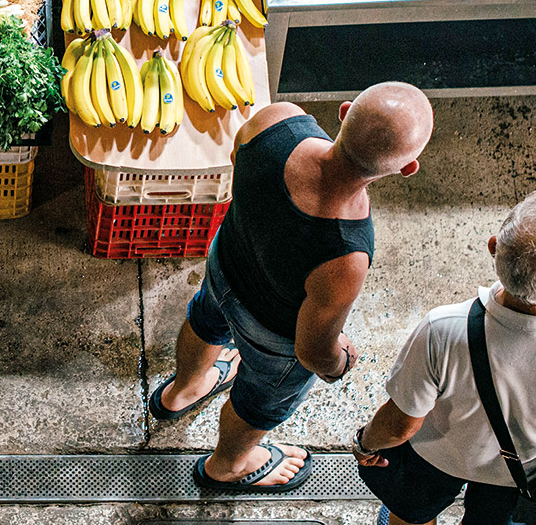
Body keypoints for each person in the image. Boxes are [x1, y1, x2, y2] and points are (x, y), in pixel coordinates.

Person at [149, 83, 435, 492]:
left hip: (225, 264)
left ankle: (182, 390)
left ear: (344, 111)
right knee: (258, 402)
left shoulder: (277, 122)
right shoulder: (346, 253)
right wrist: (340, 362)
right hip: (271, 333)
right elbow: (311, 349)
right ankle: (228, 465)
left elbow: (237, 159)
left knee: (205, 319)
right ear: (407, 168)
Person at [352, 185, 536, 525]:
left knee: (411, 515)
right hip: (526, 476)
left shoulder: (443, 329)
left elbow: (402, 422)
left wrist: (366, 443)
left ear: (493, 248)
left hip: (436, 459)